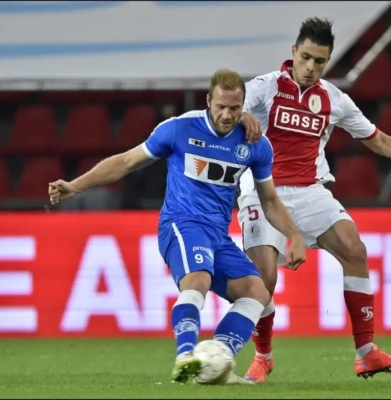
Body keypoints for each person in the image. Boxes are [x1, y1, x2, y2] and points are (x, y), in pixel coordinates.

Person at [48, 69, 307, 385]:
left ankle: (216, 362)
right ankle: (185, 356)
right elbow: (126, 162)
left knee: (258, 292)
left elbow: (270, 201)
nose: (227, 115)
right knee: (198, 279)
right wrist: (75, 186)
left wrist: (294, 235)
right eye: (221, 107)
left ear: (243, 107)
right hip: (181, 224)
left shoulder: (255, 144)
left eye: (234, 108)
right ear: (208, 101)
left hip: (218, 234)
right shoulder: (178, 129)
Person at [238, 18, 391, 382]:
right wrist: (243, 114)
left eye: (319, 61)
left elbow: (378, 139)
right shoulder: (266, 87)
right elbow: (234, 105)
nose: (310, 67)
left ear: (327, 62)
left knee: (355, 250)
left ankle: (366, 353)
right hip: (263, 191)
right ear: (293, 52)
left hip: (311, 191)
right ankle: (263, 356)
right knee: (264, 278)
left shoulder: (334, 99)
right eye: (305, 57)